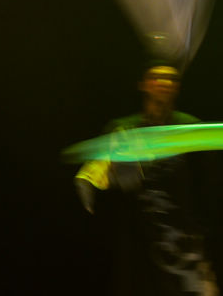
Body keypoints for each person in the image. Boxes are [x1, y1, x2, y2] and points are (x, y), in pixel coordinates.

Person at [75, 65, 219, 296]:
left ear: (177, 88)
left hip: (184, 242)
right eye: (156, 77)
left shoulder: (188, 127)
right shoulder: (124, 129)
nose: (164, 82)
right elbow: (99, 169)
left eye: (170, 78)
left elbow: (207, 182)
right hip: (140, 242)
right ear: (143, 85)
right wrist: (91, 180)